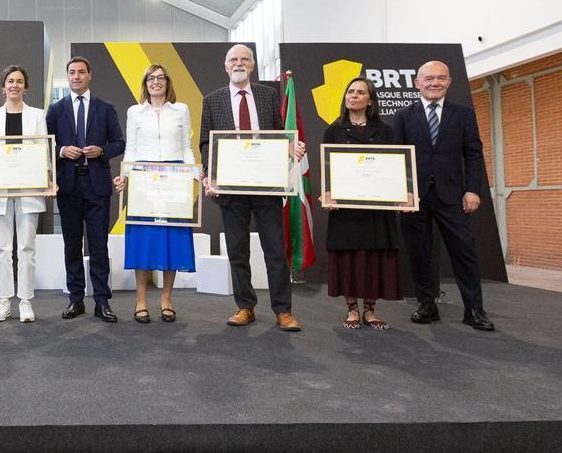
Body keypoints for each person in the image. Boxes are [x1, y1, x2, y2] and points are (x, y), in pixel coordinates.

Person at [199, 44, 306, 331]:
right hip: (231, 189)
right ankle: (245, 306)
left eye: (244, 59)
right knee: (237, 249)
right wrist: (211, 175)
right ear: (225, 66)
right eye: (233, 59)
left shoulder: (268, 95)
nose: (239, 63)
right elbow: (206, 144)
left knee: (274, 249)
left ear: (253, 65)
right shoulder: (212, 100)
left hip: (266, 186)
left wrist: (291, 145)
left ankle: (283, 311)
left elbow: (279, 133)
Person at [392, 60, 495, 331]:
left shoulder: (463, 115)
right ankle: (427, 305)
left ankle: (474, 310)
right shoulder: (403, 116)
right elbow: (395, 158)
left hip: (454, 197)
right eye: (428, 78)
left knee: (464, 252)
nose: (434, 83)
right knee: (420, 254)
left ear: (449, 81)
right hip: (415, 198)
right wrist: (402, 193)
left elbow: (473, 153)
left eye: (440, 78)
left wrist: (473, 189)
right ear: (417, 83)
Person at [113, 64, 197, 324]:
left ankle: (166, 300)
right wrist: (124, 177)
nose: (156, 82)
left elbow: (186, 147)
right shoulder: (135, 112)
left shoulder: (181, 109)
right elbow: (131, 149)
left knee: (172, 240)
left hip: (174, 179)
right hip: (143, 180)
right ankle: (140, 301)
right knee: (143, 240)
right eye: (151, 78)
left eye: (161, 77)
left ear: (168, 82)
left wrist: (196, 174)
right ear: (145, 83)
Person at [46, 56, 125, 323]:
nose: (76, 76)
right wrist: (60, 150)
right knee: (72, 246)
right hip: (68, 186)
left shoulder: (106, 109)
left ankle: (102, 301)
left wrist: (102, 150)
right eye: (72, 72)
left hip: (97, 187)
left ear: (90, 75)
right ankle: (75, 299)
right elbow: (45, 145)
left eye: (81, 72)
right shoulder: (56, 110)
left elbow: (119, 143)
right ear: (67, 77)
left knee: (99, 246)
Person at [321, 77, 400, 330]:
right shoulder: (333, 130)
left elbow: (395, 166)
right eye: (350, 92)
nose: (353, 96)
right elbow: (328, 167)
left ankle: (370, 310)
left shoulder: (385, 130)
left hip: (377, 207)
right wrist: (329, 193)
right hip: (346, 209)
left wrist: (401, 193)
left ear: (370, 100)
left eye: (360, 92)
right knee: (349, 257)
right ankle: (352, 309)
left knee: (373, 257)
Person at [0, 66, 49, 323]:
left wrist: (48, 179)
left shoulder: (37, 116)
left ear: (26, 87)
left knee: (27, 247)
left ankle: (26, 301)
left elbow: (44, 151)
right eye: (10, 81)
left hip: (29, 189)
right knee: (2, 248)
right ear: (3, 87)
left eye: (20, 81)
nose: (15, 85)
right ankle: (4, 300)